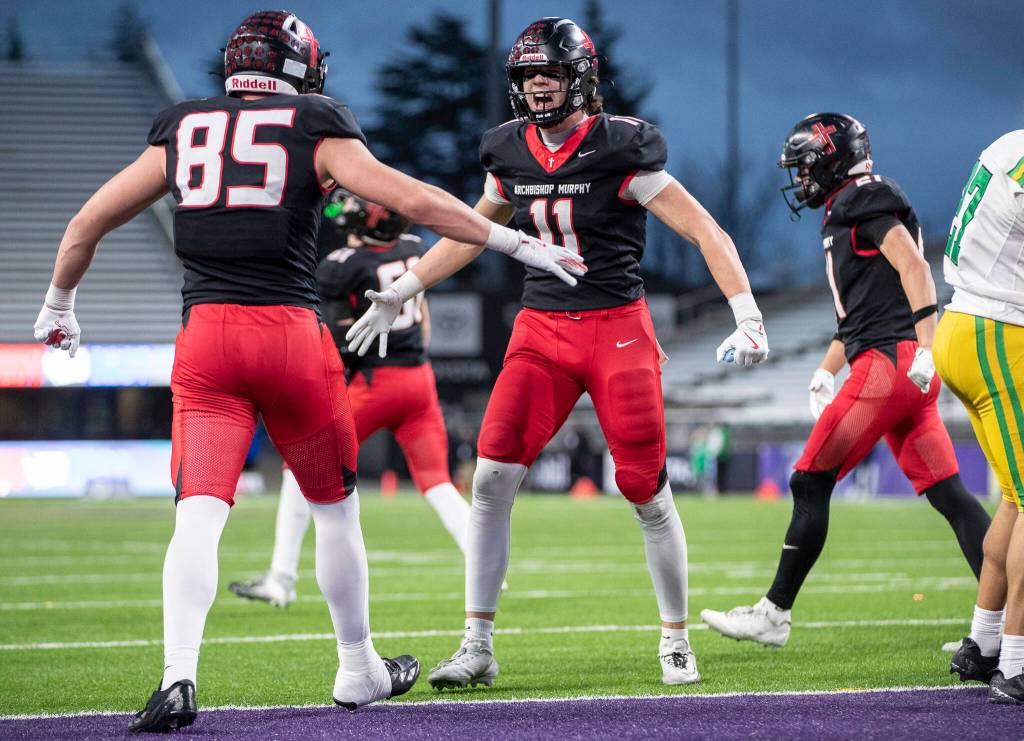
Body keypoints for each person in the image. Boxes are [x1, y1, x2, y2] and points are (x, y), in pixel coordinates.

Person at [31, 10, 584, 732]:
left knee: (198, 512)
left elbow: (84, 224)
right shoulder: (312, 122)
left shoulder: (184, 127)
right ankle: (358, 666)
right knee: (333, 507)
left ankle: (178, 675)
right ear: (298, 69)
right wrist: (518, 242)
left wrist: (58, 305)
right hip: (291, 335)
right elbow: (412, 200)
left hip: (206, 340)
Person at [345, 17, 771, 688]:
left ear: (580, 78)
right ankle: (477, 642)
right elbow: (471, 229)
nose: (537, 86)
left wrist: (746, 312)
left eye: (549, 73)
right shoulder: (509, 152)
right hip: (541, 328)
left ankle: (675, 635)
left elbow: (705, 229)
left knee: (645, 489)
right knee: (488, 478)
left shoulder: (620, 148)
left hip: (617, 329)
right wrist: (406, 285)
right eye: (526, 76)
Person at [701, 113, 991, 649]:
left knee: (810, 480)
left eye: (807, 164)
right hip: (899, 366)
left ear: (834, 158)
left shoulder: (863, 199)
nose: (802, 177)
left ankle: (774, 613)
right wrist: (824, 370)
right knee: (952, 495)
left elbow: (915, 268)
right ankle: (998, 626)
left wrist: (928, 345)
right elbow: (861, 313)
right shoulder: (847, 207)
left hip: (891, 365)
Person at [229, 192, 474, 607]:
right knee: (436, 481)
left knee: (298, 468)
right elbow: (425, 317)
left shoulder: (345, 264)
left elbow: (323, 326)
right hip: (419, 378)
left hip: (373, 383)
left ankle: (281, 578)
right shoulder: (415, 248)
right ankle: (486, 565)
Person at [936, 130, 1024, 704]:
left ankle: (985, 642)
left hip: (966, 326)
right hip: (998, 331)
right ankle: (1018, 663)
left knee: (1017, 498)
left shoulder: (1010, 142)